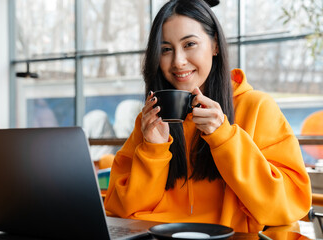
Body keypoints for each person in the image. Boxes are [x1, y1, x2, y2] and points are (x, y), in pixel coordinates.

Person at [104, 0, 312, 233]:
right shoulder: (152, 118)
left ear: (215, 45)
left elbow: (290, 206)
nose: (178, 61)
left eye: (190, 44)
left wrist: (224, 137)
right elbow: (119, 210)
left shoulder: (256, 107)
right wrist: (153, 149)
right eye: (165, 49)